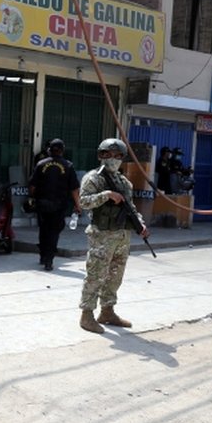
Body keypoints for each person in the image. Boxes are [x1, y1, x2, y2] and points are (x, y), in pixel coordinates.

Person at [78, 138, 150, 334]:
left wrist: (140, 224)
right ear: (101, 155)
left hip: (122, 236)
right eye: (108, 155)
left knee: (115, 276)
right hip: (102, 235)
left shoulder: (124, 182)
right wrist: (106, 195)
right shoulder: (93, 178)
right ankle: (86, 315)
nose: (113, 159)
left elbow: (131, 208)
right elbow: (83, 202)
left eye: (118, 156)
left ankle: (107, 311)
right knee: (96, 274)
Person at [28, 138, 81, 271]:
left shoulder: (41, 164)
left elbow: (32, 186)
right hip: (59, 205)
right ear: (62, 151)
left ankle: (43, 255)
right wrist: (78, 204)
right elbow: (74, 188)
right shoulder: (68, 165)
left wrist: (33, 197)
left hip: (42, 203)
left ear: (49, 150)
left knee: (44, 229)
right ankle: (49, 260)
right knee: (54, 231)